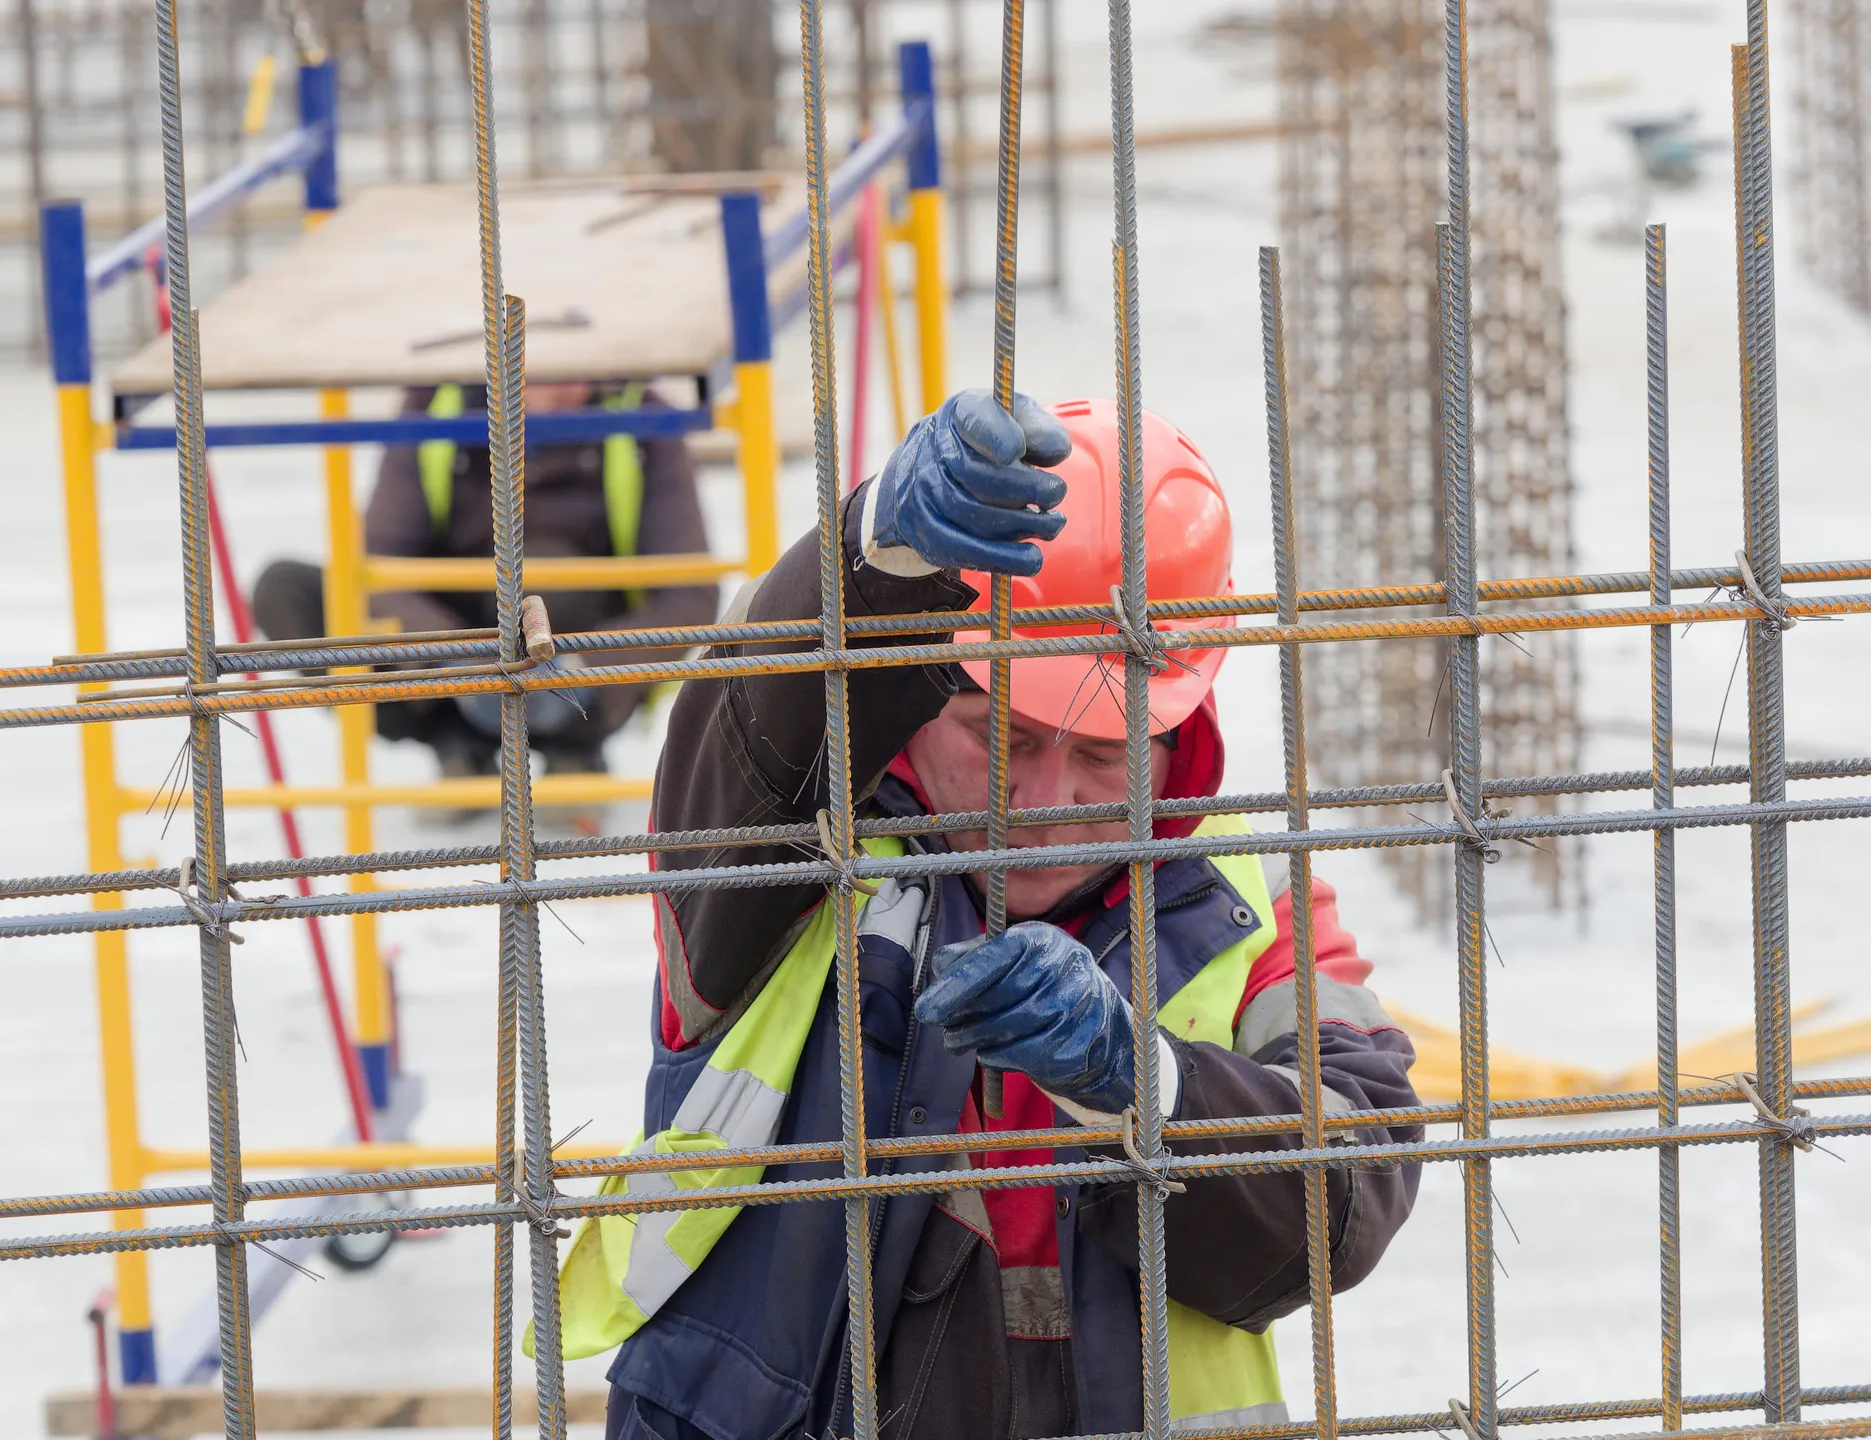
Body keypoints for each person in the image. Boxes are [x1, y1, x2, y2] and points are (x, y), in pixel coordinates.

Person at [548, 392, 1422, 1440]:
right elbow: (752, 720)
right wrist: (870, 562)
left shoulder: (1252, 903)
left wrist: (1148, 1087)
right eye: (998, 737)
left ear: (1178, 727)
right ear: (928, 686)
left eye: (1104, 754)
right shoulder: (789, 840)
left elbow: (1350, 1196)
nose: (1044, 804)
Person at [252, 378, 717, 786]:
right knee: (286, 590)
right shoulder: (435, 407)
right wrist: (458, 658)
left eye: (582, 366)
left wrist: (588, 666)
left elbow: (689, 594)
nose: (569, 383)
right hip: (452, 652)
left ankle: (573, 748)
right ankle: (455, 743)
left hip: (578, 657)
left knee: (540, 578)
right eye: (542, 364)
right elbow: (379, 567)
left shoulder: (642, 417)